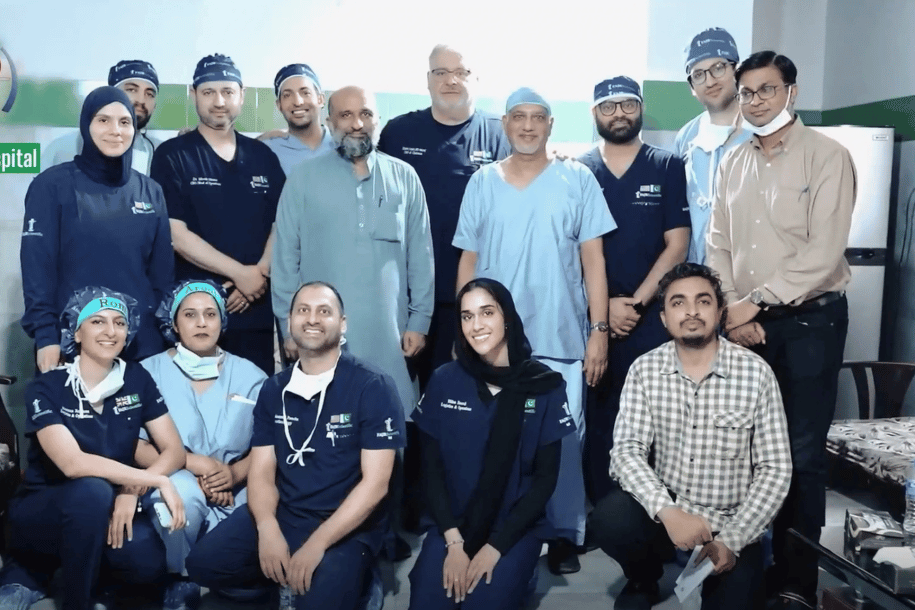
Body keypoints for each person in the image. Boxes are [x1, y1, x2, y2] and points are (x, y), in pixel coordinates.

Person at [706, 51, 856, 610]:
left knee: (801, 453)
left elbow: (824, 252)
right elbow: (717, 244)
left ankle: (796, 582)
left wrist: (755, 304)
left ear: (791, 92)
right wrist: (732, 309)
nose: (755, 101)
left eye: (766, 90)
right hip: (743, 320)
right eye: (746, 92)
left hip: (810, 320)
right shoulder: (732, 162)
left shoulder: (827, 156)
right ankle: (748, 568)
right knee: (747, 450)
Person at [453, 87, 614, 574]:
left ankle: (563, 533)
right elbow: (469, 260)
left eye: (537, 117)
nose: (527, 126)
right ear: (504, 124)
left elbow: (593, 261)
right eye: (518, 117)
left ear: (550, 125)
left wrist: (599, 330)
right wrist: (464, 331)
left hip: (559, 335)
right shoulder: (482, 183)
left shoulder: (578, 179)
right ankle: (496, 529)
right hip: (494, 342)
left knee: (562, 442)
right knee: (494, 441)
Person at [185, 281, 405, 610]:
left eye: (324, 311)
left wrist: (318, 543)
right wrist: (267, 528)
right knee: (202, 565)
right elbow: (261, 471)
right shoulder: (274, 390)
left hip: (344, 523)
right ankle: (280, 586)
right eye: (303, 310)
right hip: (287, 512)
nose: (312, 319)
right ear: (289, 321)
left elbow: (375, 485)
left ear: (343, 323)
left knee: (319, 604)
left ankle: (363, 582)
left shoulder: (372, 386)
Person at [591, 263, 792, 610]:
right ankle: (644, 576)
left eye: (703, 301)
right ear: (664, 318)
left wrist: (732, 540)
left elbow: (775, 470)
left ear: (720, 311)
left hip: (730, 523)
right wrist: (668, 512)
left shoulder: (756, 373)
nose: (692, 312)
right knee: (610, 518)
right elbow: (626, 452)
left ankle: (724, 569)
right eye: (678, 303)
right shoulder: (645, 369)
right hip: (667, 514)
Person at [0, 287, 188, 610]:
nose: (110, 331)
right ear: (76, 332)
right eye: (98, 321)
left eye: (119, 322)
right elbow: (73, 464)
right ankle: (71, 597)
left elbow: (174, 450)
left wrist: (132, 490)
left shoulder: (136, 378)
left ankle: (96, 579)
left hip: (108, 506)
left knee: (147, 563)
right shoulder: (46, 386)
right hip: (44, 510)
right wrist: (153, 479)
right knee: (91, 491)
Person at [408, 278, 575, 610]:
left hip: (513, 530)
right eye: (467, 316)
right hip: (453, 526)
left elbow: (545, 482)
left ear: (507, 318)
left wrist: (495, 547)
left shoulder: (544, 385)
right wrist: (454, 543)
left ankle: (522, 573)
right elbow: (430, 470)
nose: (477, 325)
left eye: (487, 312)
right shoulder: (444, 380)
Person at [272, 85, 434, 422]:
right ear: (330, 122)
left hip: (391, 337)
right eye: (345, 115)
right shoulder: (302, 179)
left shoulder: (405, 177)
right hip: (319, 336)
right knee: (324, 425)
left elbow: (421, 257)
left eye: (365, 114)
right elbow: (285, 259)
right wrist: (289, 329)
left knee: (390, 424)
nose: (356, 124)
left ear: (378, 121)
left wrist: (420, 321)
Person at [578, 76, 689, 504]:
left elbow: (677, 244)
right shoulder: (579, 171)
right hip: (595, 319)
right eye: (608, 107)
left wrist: (636, 304)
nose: (619, 114)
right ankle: (602, 511)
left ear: (641, 108)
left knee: (656, 418)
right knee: (600, 416)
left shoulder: (667, 166)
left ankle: (656, 513)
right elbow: (573, 251)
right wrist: (603, 309)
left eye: (628, 104)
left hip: (650, 319)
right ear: (594, 114)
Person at [378, 43, 510, 386]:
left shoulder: (499, 135)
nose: (451, 80)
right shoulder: (398, 133)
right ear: (428, 79)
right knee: (399, 393)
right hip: (406, 296)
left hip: (474, 296)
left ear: (475, 79)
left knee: (465, 394)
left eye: (460, 72)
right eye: (441, 72)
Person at [151, 54, 286, 376]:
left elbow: (282, 224)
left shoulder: (263, 156)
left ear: (241, 95)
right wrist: (241, 274)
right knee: (192, 399)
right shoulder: (172, 155)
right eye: (209, 92)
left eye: (228, 92)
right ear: (193, 94)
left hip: (255, 310)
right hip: (195, 313)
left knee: (252, 398)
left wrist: (258, 276)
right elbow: (176, 233)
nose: (219, 101)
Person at [21, 85, 173, 371]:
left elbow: (162, 276)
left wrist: (160, 338)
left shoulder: (150, 191)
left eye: (124, 122)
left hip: (141, 348)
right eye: (103, 120)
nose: (116, 130)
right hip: (71, 346)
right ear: (86, 125)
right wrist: (46, 336)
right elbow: (37, 269)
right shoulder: (51, 186)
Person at [138, 280, 267, 610]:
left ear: (222, 322)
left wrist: (234, 474)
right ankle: (179, 579)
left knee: (267, 504)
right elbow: (135, 445)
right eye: (190, 314)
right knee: (180, 494)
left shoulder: (251, 377)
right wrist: (195, 468)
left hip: (234, 484)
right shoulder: (147, 373)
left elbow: (270, 444)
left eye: (210, 314)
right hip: (176, 475)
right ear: (173, 323)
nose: (201, 323)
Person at [674, 28, 751, 264]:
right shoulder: (686, 137)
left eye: (718, 68)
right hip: (698, 271)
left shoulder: (758, 130)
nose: (710, 81)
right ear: (691, 86)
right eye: (698, 74)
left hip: (748, 273)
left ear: (737, 70)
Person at [43, 59, 161, 175]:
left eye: (149, 94)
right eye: (132, 90)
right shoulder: (61, 149)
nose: (141, 100)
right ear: (110, 93)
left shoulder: (160, 152)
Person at [259, 63, 335, 175]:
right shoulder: (266, 151)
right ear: (279, 105)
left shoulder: (342, 144)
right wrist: (256, 142)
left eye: (305, 93)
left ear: (320, 99)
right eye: (287, 95)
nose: (298, 102)